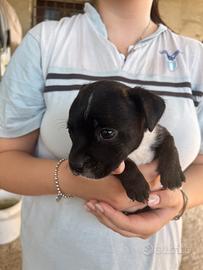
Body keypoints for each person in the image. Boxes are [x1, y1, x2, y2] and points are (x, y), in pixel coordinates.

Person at [0, 0, 203, 269]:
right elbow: (4, 158)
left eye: (106, 132)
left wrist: (176, 201)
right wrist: (77, 182)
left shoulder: (194, 56)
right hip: (57, 257)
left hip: (153, 261)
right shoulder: (44, 41)